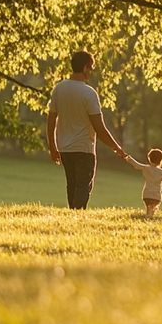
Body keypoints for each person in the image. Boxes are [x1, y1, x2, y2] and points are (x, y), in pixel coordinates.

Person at [46, 50, 127, 209]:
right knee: (83, 186)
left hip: (65, 148)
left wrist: (52, 147)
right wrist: (116, 147)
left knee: (72, 185)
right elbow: (99, 127)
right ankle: (78, 217)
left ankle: (73, 217)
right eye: (91, 67)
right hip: (84, 148)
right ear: (84, 68)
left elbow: (51, 120)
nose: (91, 71)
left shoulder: (59, 89)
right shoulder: (88, 93)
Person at [124, 148, 162, 216]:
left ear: (149, 158)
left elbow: (137, 165)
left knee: (149, 208)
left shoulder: (146, 168)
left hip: (147, 194)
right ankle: (150, 216)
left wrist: (129, 158)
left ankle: (148, 216)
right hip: (156, 196)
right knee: (153, 209)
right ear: (161, 160)